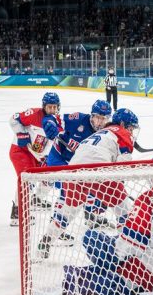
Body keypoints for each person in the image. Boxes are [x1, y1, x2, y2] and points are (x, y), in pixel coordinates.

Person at [38, 108, 139, 255]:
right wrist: (115, 192)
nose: (131, 131)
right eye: (130, 127)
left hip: (73, 172)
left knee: (68, 212)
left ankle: (45, 242)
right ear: (123, 124)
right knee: (123, 210)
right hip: (98, 171)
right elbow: (121, 167)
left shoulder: (99, 132)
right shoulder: (123, 134)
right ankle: (126, 251)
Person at [9, 92, 63, 226]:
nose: (52, 110)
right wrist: (21, 134)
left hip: (37, 155)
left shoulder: (58, 122)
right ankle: (17, 212)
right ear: (43, 106)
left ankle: (36, 199)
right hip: (21, 151)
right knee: (26, 181)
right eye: (49, 107)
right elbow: (14, 119)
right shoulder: (33, 113)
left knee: (50, 176)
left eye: (54, 107)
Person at [46, 100, 113, 167]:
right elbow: (55, 119)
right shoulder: (78, 119)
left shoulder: (107, 132)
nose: (100, 122)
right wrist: (51, 123)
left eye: (104, 119)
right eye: (98, 117)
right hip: (58, 156)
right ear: (92, 116)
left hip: (76, 164)